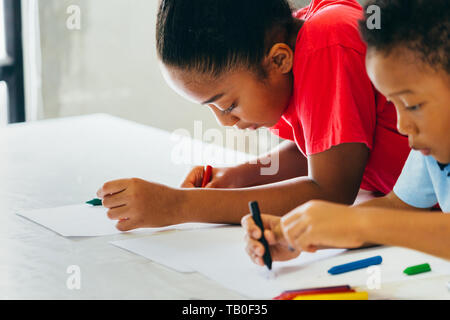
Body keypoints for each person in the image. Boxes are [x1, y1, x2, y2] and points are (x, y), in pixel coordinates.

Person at [96, 0, 409, 231]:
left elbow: (331, 190)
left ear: (278, 61)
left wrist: (178, 206)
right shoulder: (295, 45)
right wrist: (238, 176)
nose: (225, 121)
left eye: (229, 104)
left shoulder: (326, 44)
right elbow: (328, 149)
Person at [243, 0, 450, 263]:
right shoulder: (432, 149)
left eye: (412, 105)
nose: (402, 125)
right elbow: (398, 207)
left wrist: (357, 224)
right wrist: (303, 232)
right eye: (393, 104)